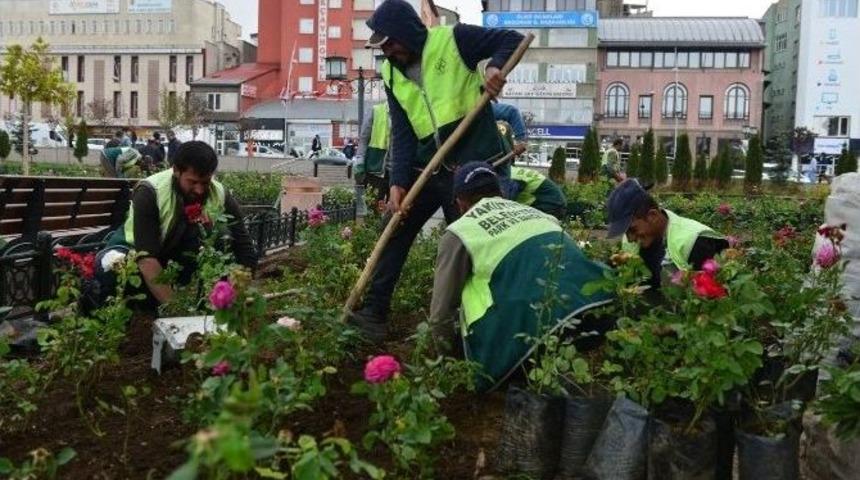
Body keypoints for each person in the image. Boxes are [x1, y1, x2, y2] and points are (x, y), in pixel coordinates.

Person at [348, 0, 524, 342]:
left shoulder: (454, 39)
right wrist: (398, 182)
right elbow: (402, 130)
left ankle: (478, 324)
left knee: (474, 244)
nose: (388, 51)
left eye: (391, 43)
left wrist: (494, 69)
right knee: (395, 228)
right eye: (382, 46)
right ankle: (374, 312)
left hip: (472, 164)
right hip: (429, 165)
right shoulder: (390, 73)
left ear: (406, 33)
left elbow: (512, 39)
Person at [430, 162, 612, 390]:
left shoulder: (460, 231)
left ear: (460, 202)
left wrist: (448, 364)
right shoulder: (539, 214)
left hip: (520, 337)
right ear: (501, 191)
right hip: (587, 312)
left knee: (473, 287)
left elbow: (440, 312)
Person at [90, 141, 257, 310]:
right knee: (112, 272)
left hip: (171, 255)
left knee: (222, 234)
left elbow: (244, 246)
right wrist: (177, 311)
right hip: (131, 251)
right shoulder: (150, 191)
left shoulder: (219, 192)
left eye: (205, 182)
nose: (199, 190)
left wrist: (233, 294)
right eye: (192, 182)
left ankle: (194, 303)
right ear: (176, 171)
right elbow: (146, 257)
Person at [607, 179, 728, 290]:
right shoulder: (633, 241)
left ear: (652, 216)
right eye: (625, 232)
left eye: (632, 230)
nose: (630, 238)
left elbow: (714, 297)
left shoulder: (694, 241)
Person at [355, 102, 392, 212]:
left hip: (396, 172)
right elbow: (363, 139)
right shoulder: (376, 111)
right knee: (371, 210)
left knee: (394, 214)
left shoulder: (406, 112)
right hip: (375, 169)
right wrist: (359, 163)